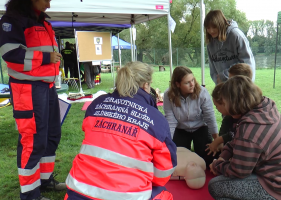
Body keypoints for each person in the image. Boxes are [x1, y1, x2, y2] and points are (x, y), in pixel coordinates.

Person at [65, 61, 177, 200]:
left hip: (78, 192)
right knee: (165, 195)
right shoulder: (156, 120)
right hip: (126, 195)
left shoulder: (96, 105)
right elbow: (163, 174)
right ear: (146, 85)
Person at [0, 0, 65, 199]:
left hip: (47, 86)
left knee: (51, 136)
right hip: (28, 88)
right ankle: (29, 194)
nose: (49, 4)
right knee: (32, 140)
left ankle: (44, 181)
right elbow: (10, 53)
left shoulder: (42, 22)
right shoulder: (12, 20)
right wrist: (47, 58)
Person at [208, 76, 281, 200]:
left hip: (280, 191)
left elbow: (238, 171)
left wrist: (218, 165)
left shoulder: (251, 128)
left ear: (233, 102)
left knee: (215, 186)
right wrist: (224, 155)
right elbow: (237, 141)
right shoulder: (264, 110)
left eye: (225, 101)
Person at [163, 66, 218, 166]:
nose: (192, 84)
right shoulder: (168, 95)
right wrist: (168, 142)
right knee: (178, 159)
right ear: (177, 84)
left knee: (206, 160)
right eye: (187, 82)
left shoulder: (202, 92)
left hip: (201, 127)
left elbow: (210, 116)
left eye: (192, 80)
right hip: (181, 128)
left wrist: (216, 140)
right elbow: (170, 120)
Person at [206, 63, 253, 156]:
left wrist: (219, 140)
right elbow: (226, 127)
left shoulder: (249, 112)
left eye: (231, 80)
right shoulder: (230, 114)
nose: (228, 83)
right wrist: (220, 143)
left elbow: (238, 133)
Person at [204, 10, 255, 84]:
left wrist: (224, 75)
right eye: (208, 28)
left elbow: (247, 64)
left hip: (241, 85)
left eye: (214, 27)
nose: (211, 31)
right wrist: (218, 82)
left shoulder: (236, 35)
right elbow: (213, 69)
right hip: (223, 86)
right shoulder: (210, 43)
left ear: (220, 24)